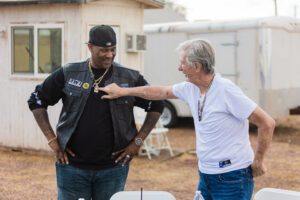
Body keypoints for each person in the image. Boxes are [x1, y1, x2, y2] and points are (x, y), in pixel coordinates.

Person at [99, 39, 276, 200]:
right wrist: (123, 92)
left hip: (233, 177)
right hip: (206, 175)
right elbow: (160, 92)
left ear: (197, 66)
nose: (179, 68)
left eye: (182, 63)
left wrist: (258, 161)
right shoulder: (191, 88)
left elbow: (267, 123)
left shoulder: (225, 90)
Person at [27, 25, 164, 200]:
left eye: (113, 49)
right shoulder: (70, 73)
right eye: (104, 50)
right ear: (90, 47)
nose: (109, 54)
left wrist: (138, 141)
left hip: (113, 168)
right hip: (71, 167)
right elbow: (37, 100)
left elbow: (157, 103)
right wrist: (52, 139)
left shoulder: (130, 77)